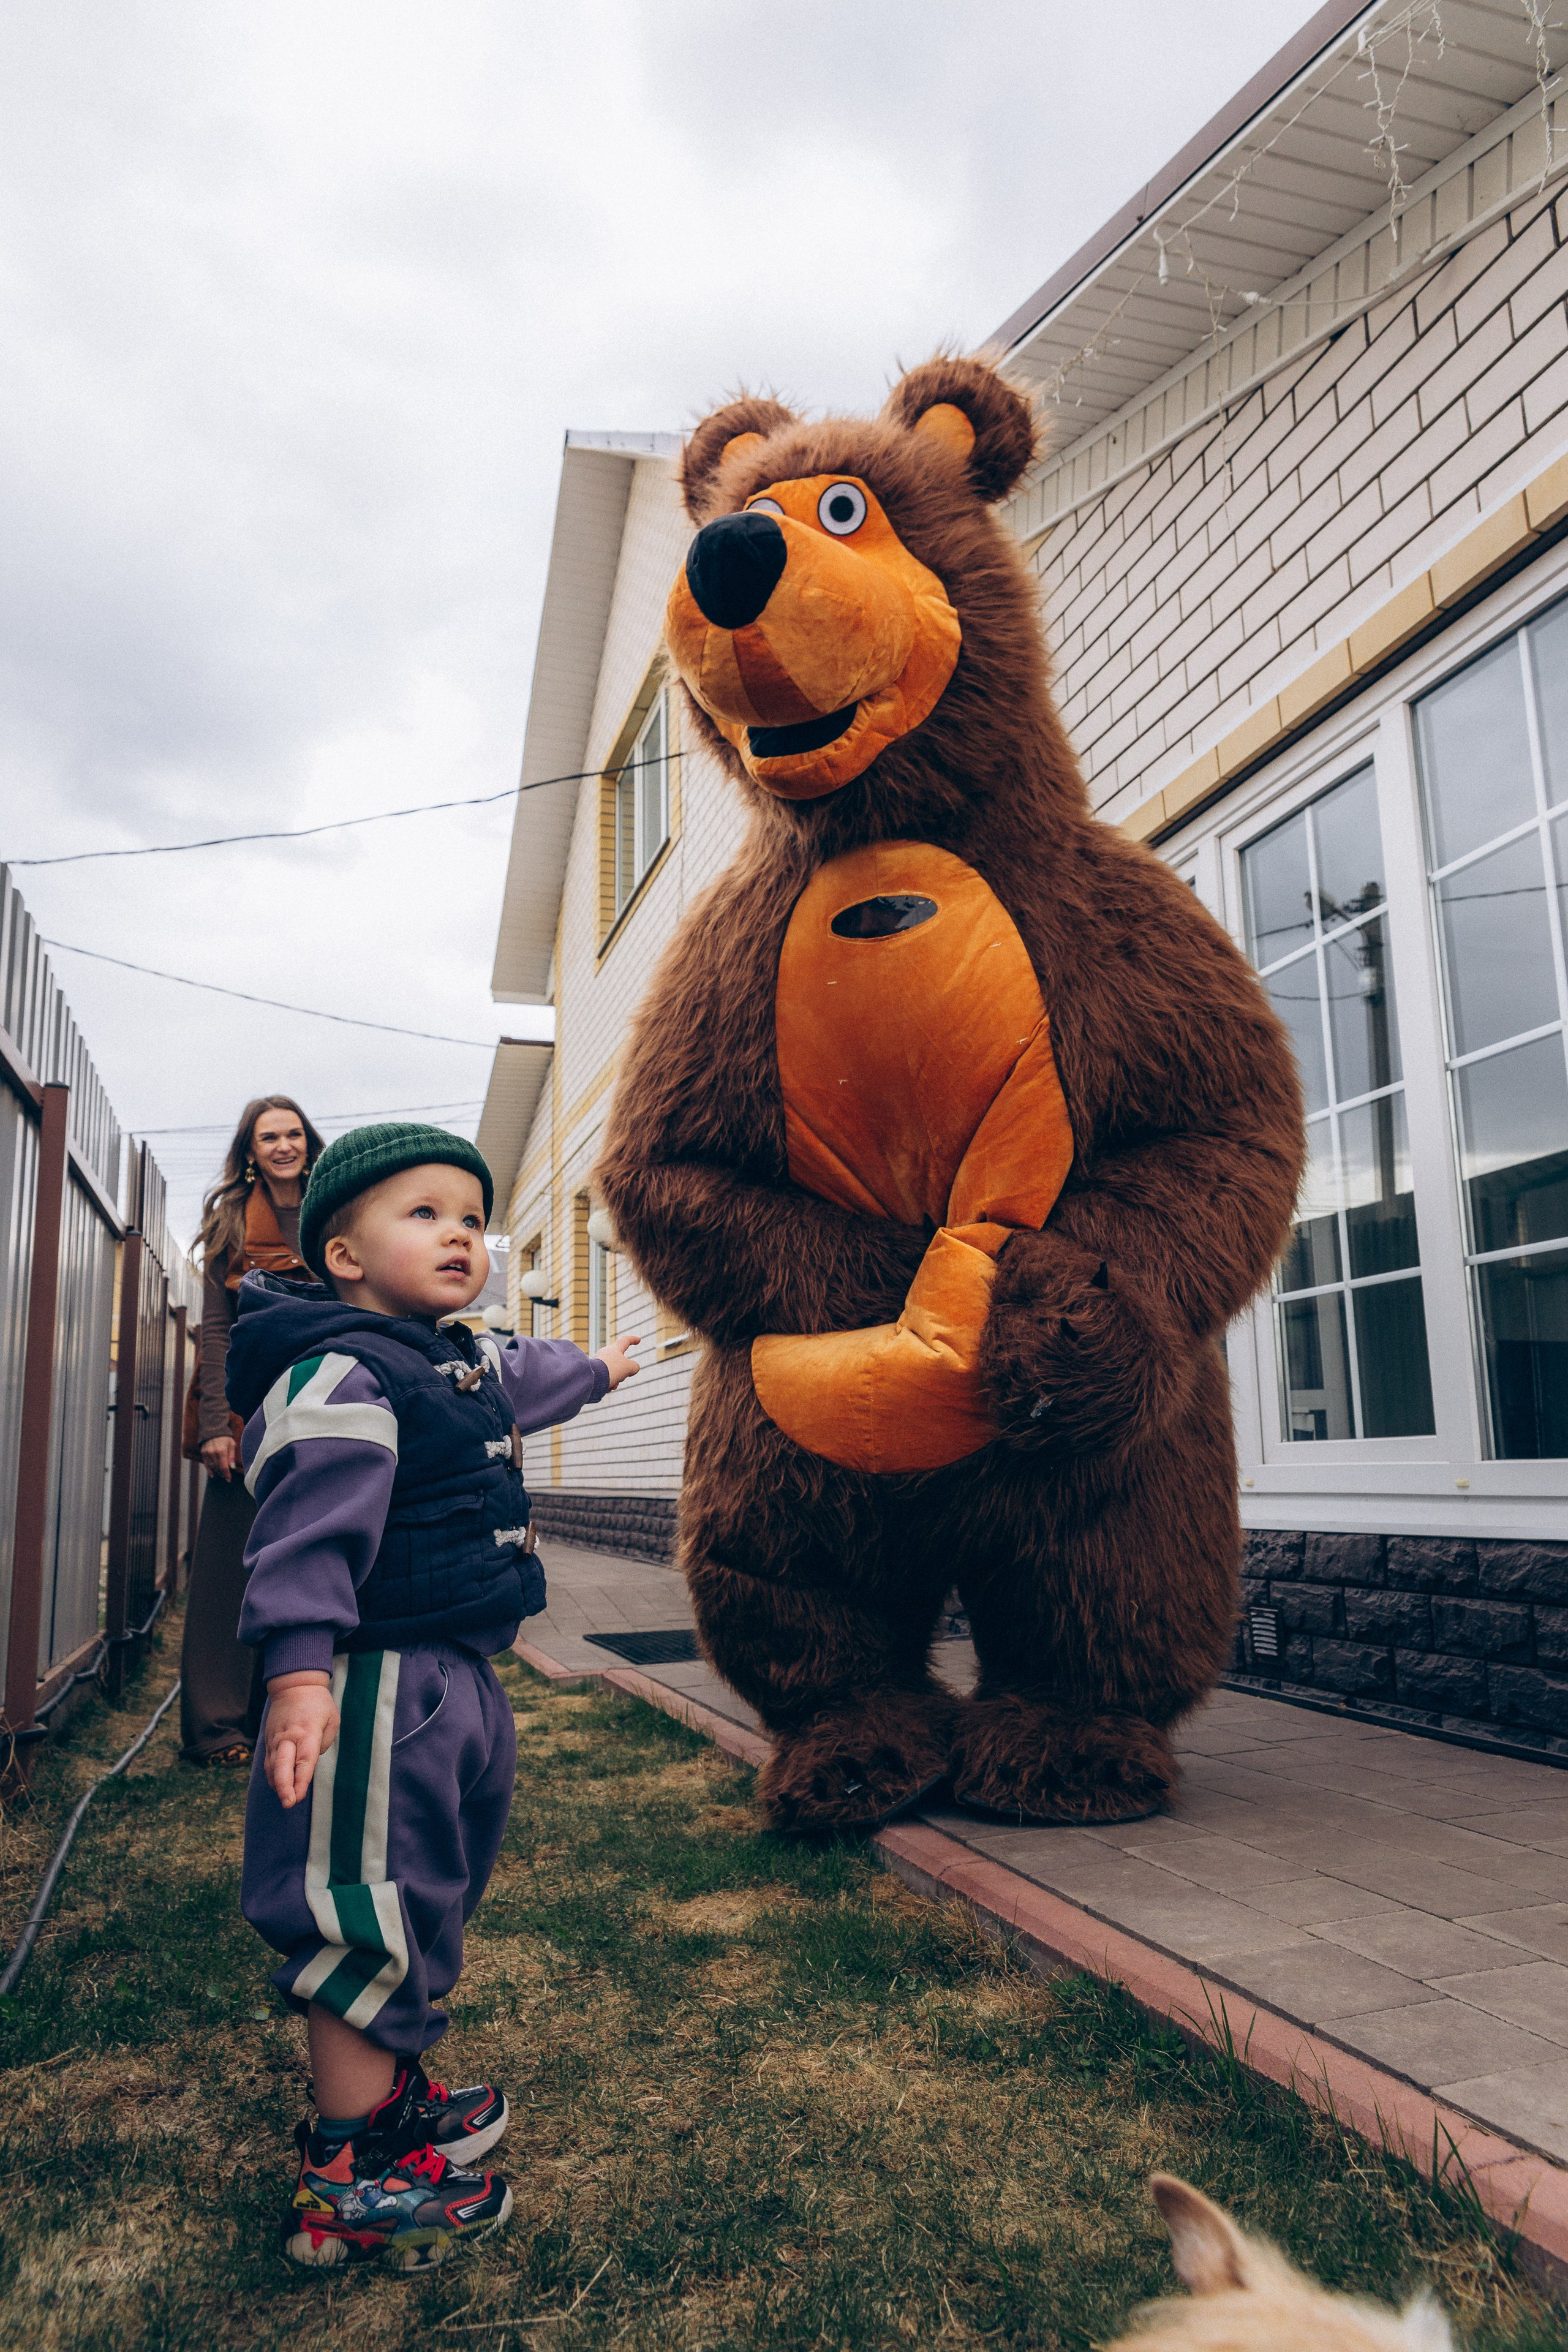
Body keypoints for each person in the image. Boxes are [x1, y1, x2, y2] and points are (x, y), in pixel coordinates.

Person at [223, 1122, 639, 2272]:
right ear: (344, 1254)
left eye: (471, 1216)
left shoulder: (451, 1356)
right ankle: (350, 2173)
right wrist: (302, 1675)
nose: (460, 1233)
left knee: (428, 1895)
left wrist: (604, 1369)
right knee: (368, 1916)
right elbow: (307, 1534)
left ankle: (395, 2102)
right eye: (424, 1214)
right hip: (374, 1681)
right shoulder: (340, 1372)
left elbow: (526, 1375)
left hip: (457, 1677)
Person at [181, 1095, 324, 1765]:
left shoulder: (338, 1204)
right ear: (251, 1150)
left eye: (294, 1133)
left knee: (313, 1559)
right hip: (246, 1406)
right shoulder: (232, 1221)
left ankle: (296, 1714)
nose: (285, 1145)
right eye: (271, 1136)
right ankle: (217, 1728)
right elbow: (214, 1327)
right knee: (228, 1571)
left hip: (326, 1401)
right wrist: (215, 1423)